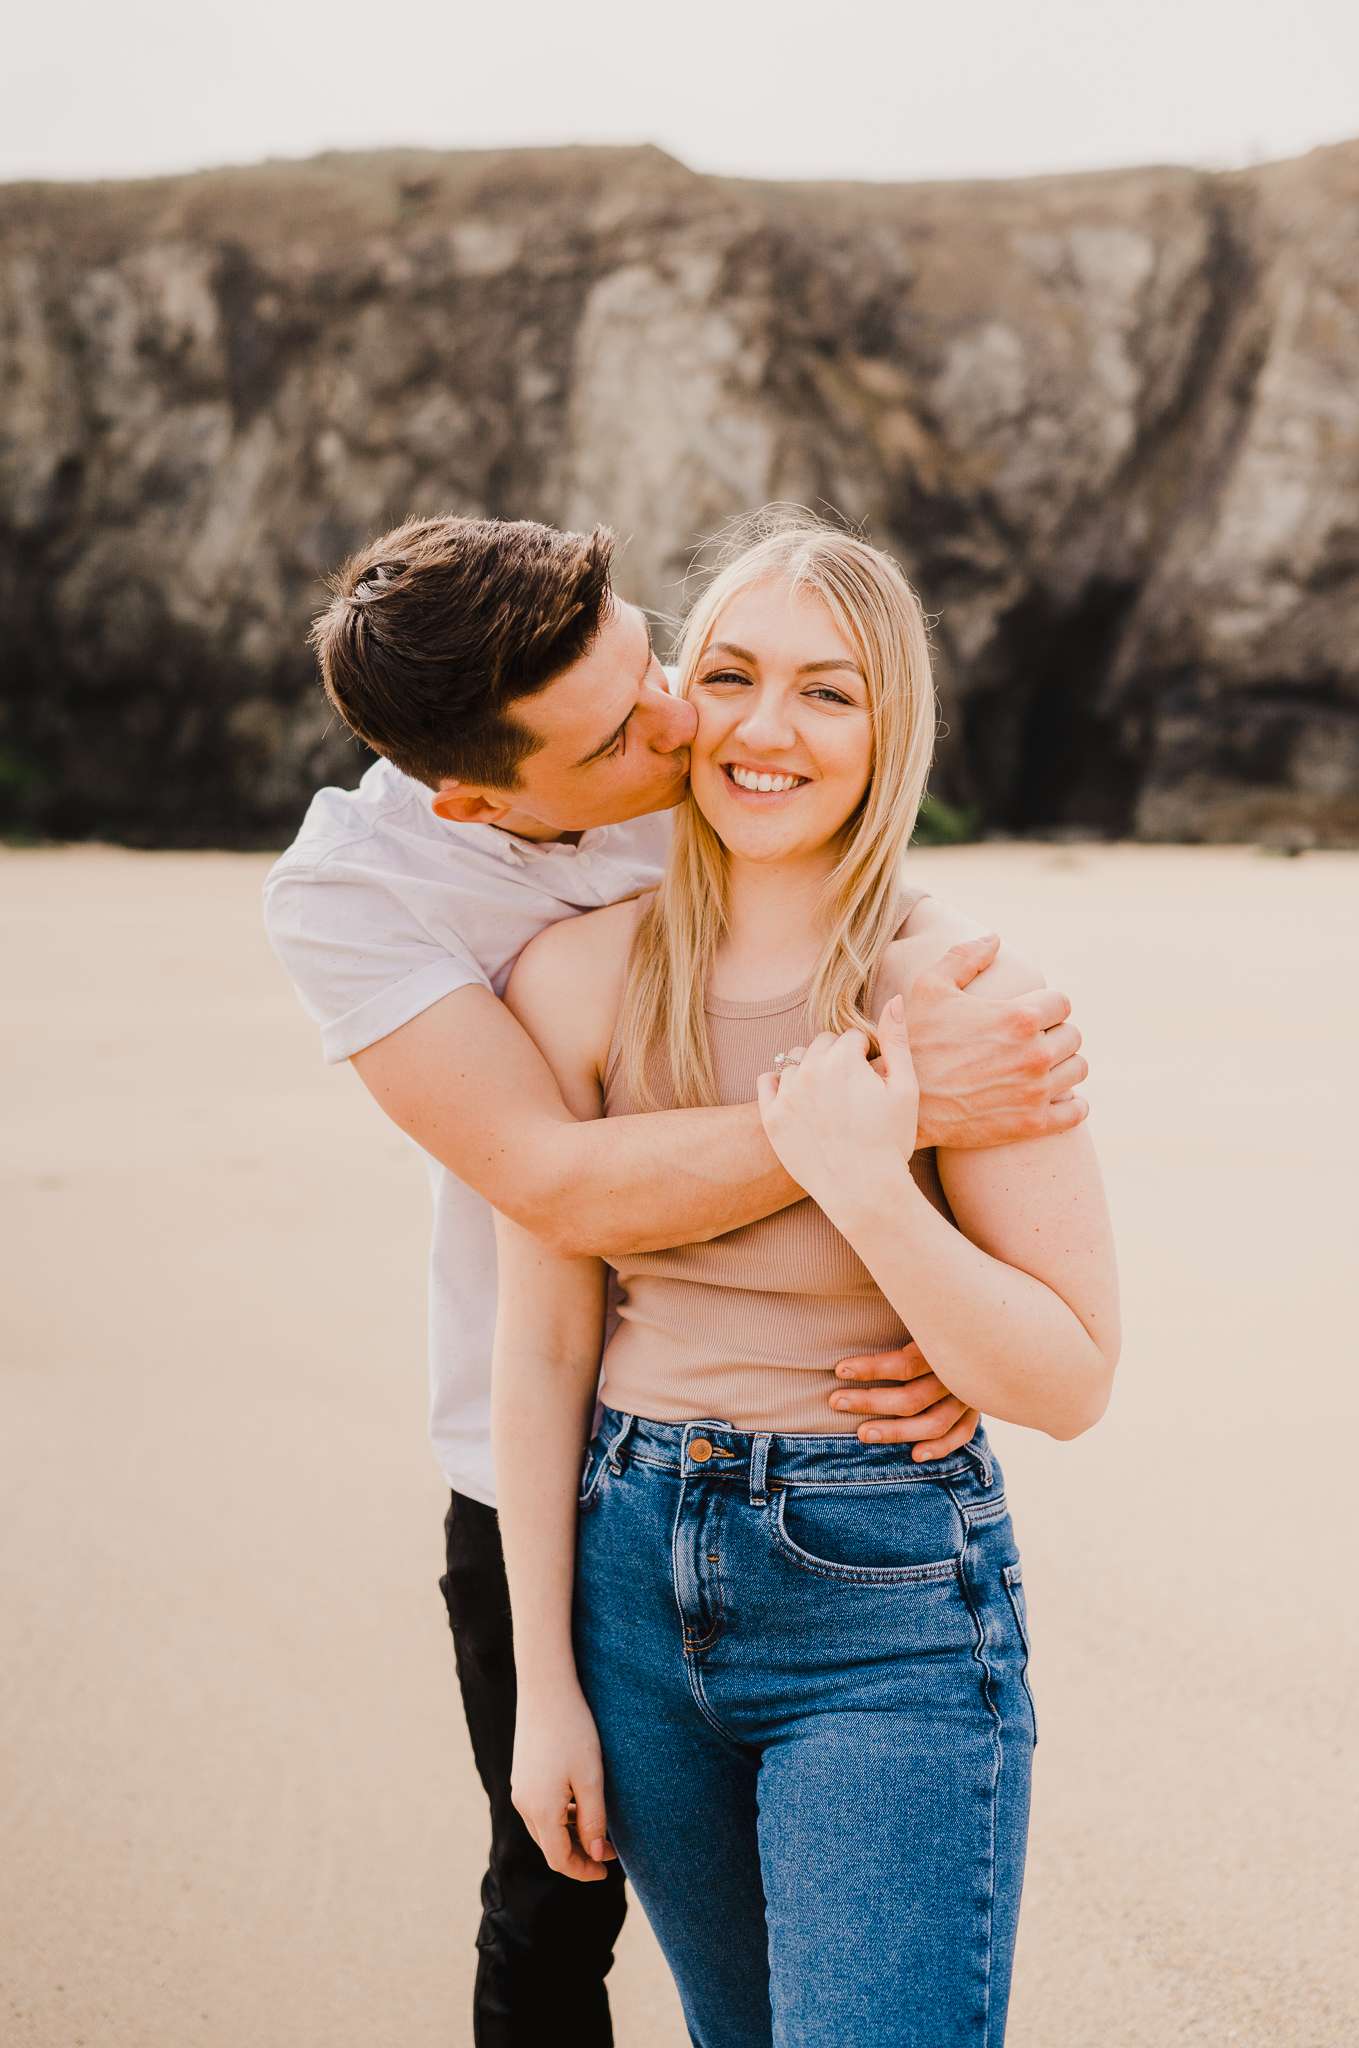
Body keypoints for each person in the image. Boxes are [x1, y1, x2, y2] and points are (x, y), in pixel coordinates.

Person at [263, 511, 1093, 2047]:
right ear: (482, 798)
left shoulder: (907, 933)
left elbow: (1066, 1366)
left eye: (664, 663)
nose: (695, 724)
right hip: (581, 1507)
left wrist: (928, 1276)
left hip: (872, 1565)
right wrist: (873, 1107)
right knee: (554, 1920)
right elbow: (553, 1207)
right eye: (706, 688)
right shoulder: (403, 911)